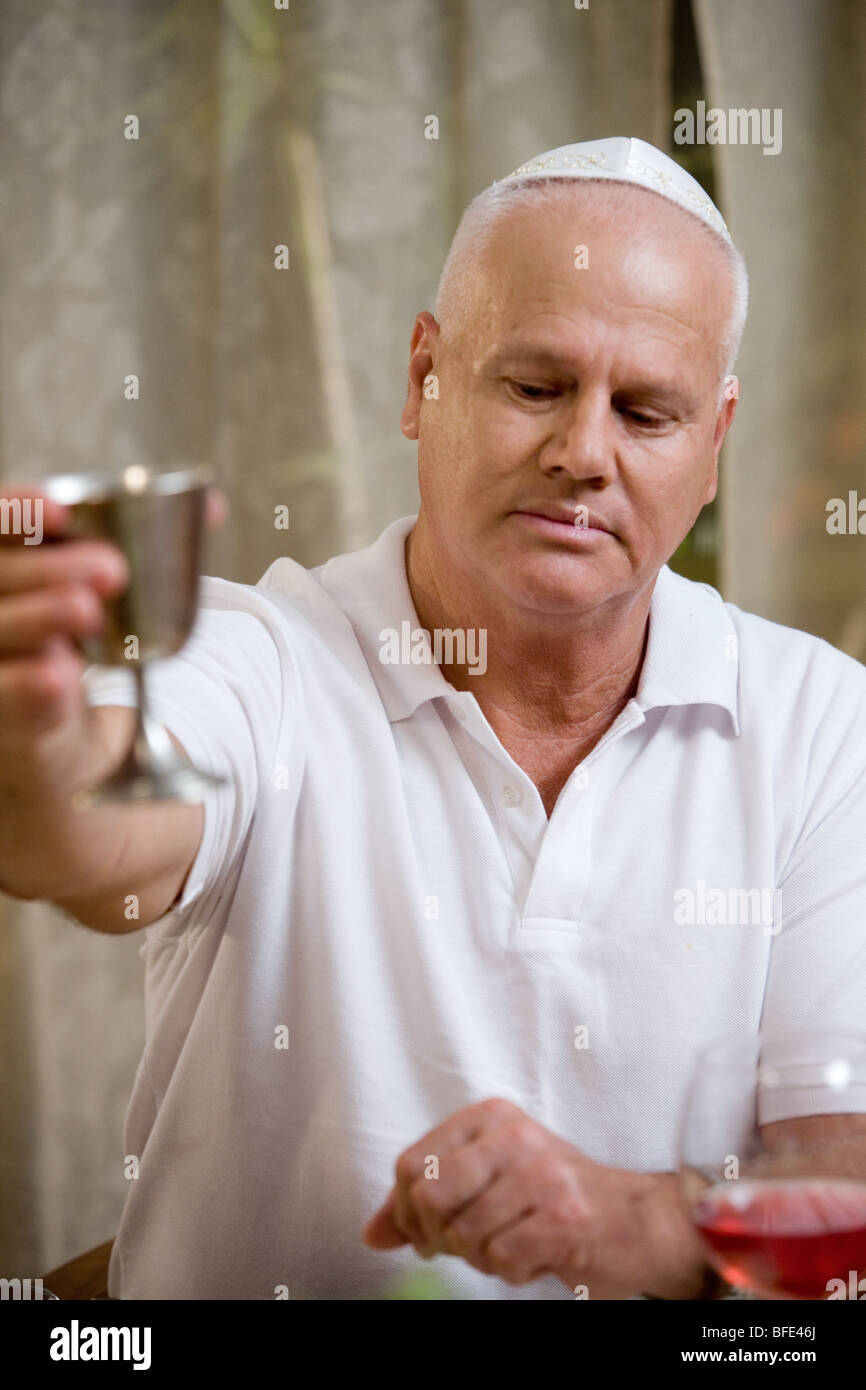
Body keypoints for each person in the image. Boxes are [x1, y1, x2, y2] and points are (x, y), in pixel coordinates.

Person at [2, 137, 865, 1301]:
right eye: (534, 386)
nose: (580, 455)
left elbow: (840, 1173)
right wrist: (37, 736)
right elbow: (81, 837)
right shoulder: (262, 656)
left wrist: (620, 1216)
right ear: (423, 378)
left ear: (712, 445)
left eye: (646, 412)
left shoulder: (819, 724)